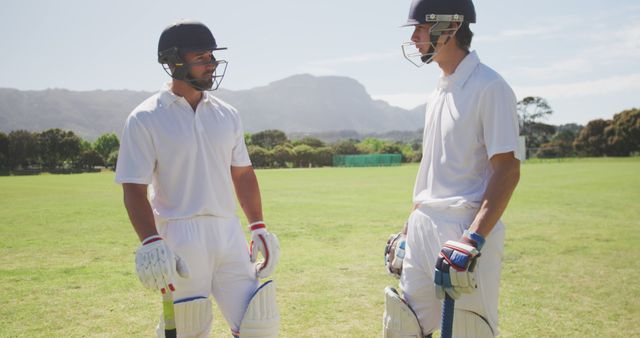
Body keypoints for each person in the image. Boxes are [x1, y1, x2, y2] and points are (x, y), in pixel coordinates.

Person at [115, 20, 280, 338]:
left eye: (212, 57)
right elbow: (133, 188)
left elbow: (242, 173)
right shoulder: (145, 118)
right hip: (179, 237)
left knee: (260, 327)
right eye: (202, 57)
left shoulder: (227, 114)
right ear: (174, 61)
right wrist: (151, 241)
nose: (212, 64)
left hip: (228, 234)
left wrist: (257, 226)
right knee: (188, 331)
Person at [383, 0, 521, 337]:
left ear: (450, 26)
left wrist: (473, 238)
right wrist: (408, 229)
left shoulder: (490, 87)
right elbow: (433, 172)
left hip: (463, 226)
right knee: (405, 327)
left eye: (421, 27)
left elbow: (507, 169)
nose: (415, 38)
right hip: (424, 224)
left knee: (468, 330)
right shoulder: (437, 93)